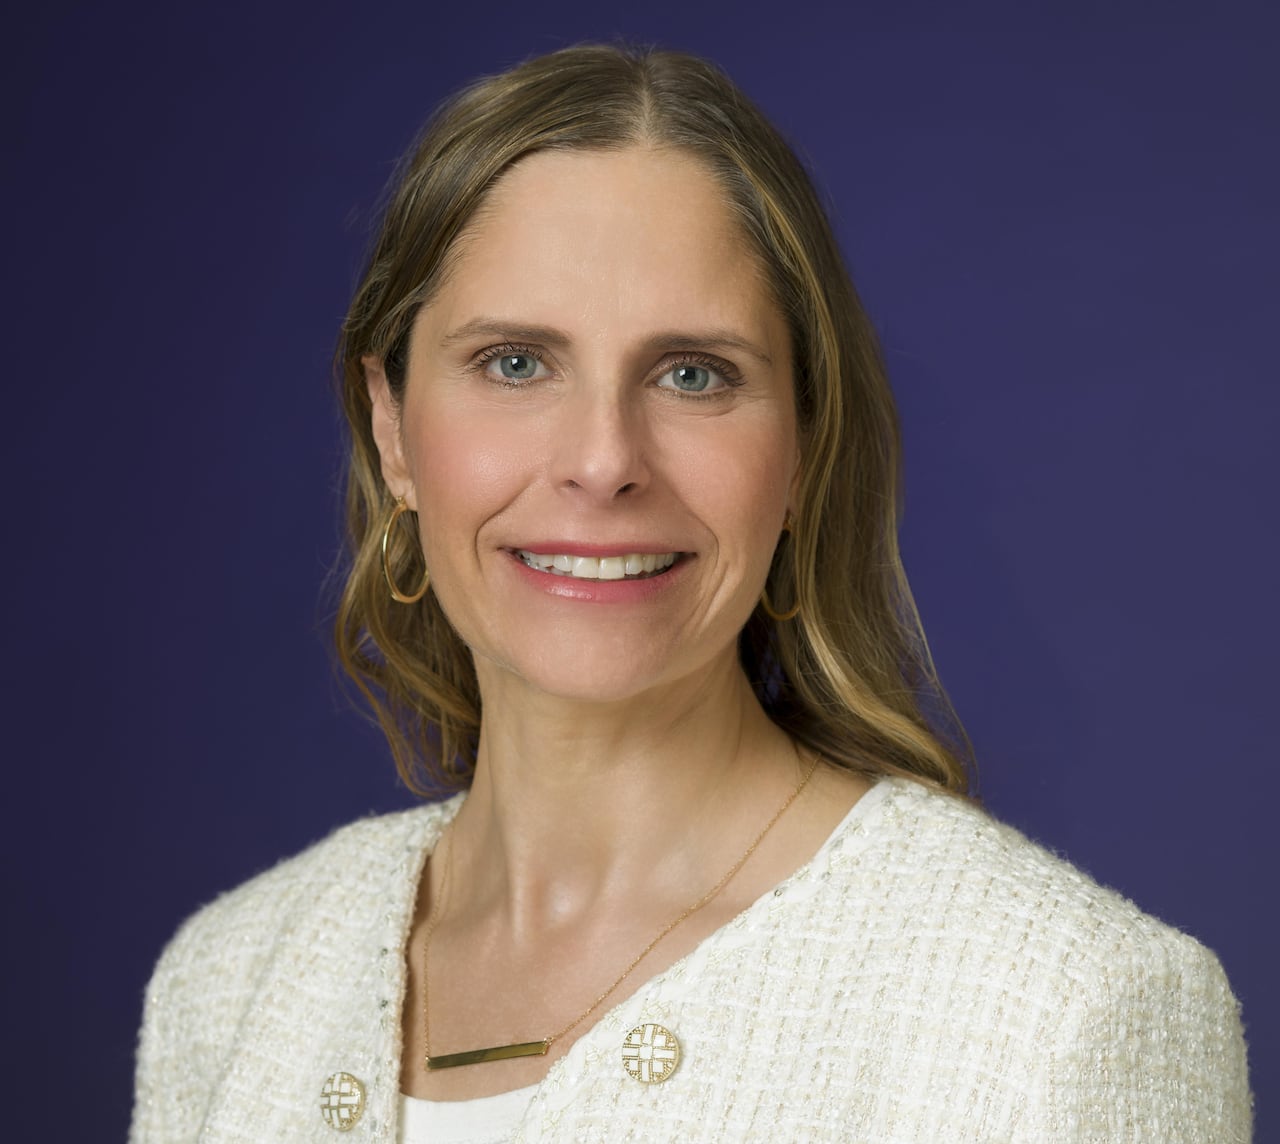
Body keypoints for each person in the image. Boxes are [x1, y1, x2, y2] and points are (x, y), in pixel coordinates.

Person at [129, 44, 1251, 1142]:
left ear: (804, 447)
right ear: (391, 430)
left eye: (692, 374)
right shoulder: (230, 983)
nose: (602, 461)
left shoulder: (1065, 1011)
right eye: (515, 362)